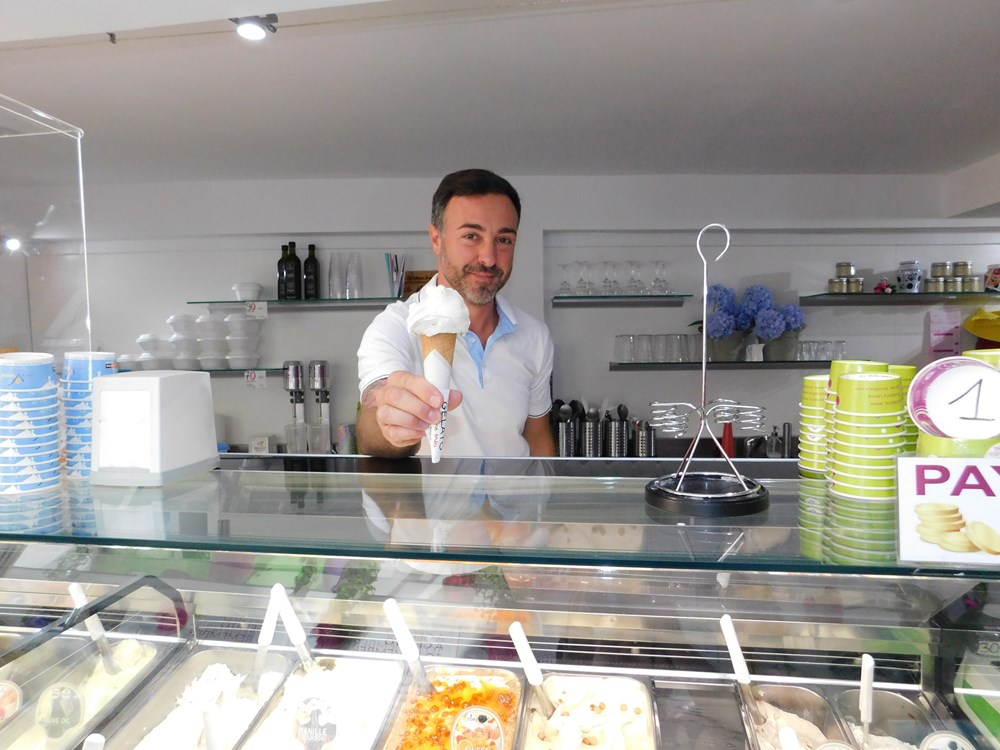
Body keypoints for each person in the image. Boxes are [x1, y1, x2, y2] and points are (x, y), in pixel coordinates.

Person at [357, 168, 556, 458]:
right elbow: (372, 425)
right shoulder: (395, 326)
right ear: (436, 239)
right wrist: (390, 421)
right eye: (471, 236)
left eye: (503, 239)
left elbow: (538, 438)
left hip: (515, 490)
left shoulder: (535, 336)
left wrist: (547, 488)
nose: (489, 258)